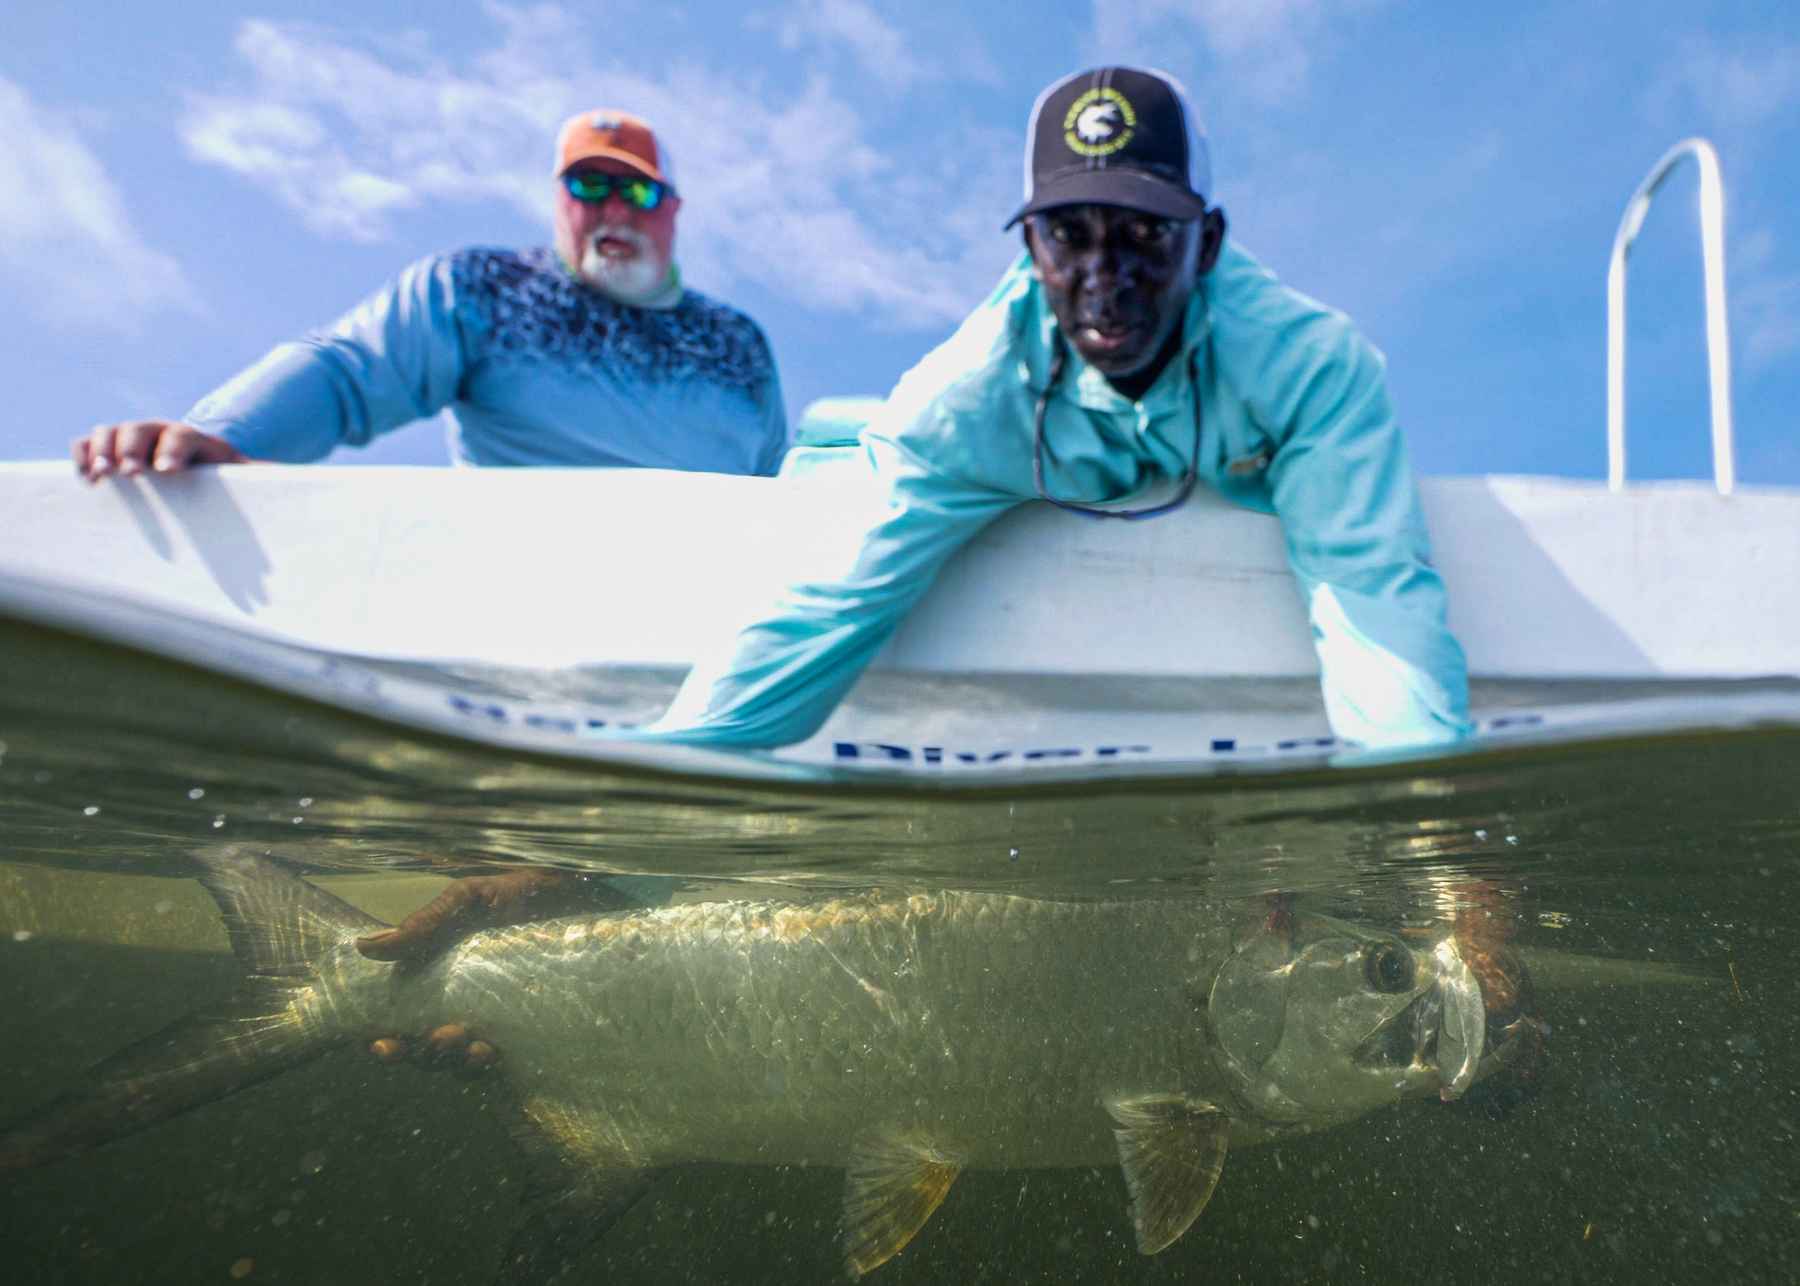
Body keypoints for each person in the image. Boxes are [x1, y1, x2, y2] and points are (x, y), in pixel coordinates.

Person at [357, 66, 1473, 969]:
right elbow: (808, 624)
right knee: (848, 468)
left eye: (1144, 236)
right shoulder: (974, 391)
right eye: (1065, 237)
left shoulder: (1316, 364)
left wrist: (1448, 880)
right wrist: (581, 864)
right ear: (1026, 250)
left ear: (1210, 244)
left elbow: (1373, 605)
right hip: (915, 446)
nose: (1103, 281)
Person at [72, 110, 787, 480]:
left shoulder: (739, 344)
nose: (616, 210)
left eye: (635, 189)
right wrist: (222, 438)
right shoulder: (483, 288)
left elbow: (783, 483)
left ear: (672, 208)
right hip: (512, 614)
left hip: (711, 615)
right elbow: (347, 372)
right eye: (589, 186)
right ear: (559, 201)